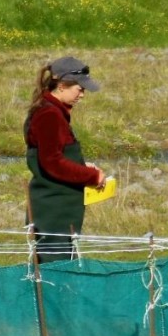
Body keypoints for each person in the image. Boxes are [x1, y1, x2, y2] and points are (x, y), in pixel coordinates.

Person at [23, 56, 106, 263]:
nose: (82, 95)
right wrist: (91, 175)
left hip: (58, 207)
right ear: (61, 86)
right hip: (54, 211)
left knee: (60, 261)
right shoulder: (49, 115)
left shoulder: (52, 111)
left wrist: (80, 165)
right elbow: (52, 163)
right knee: (55, 265)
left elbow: (55, 154)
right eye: (79, 89)